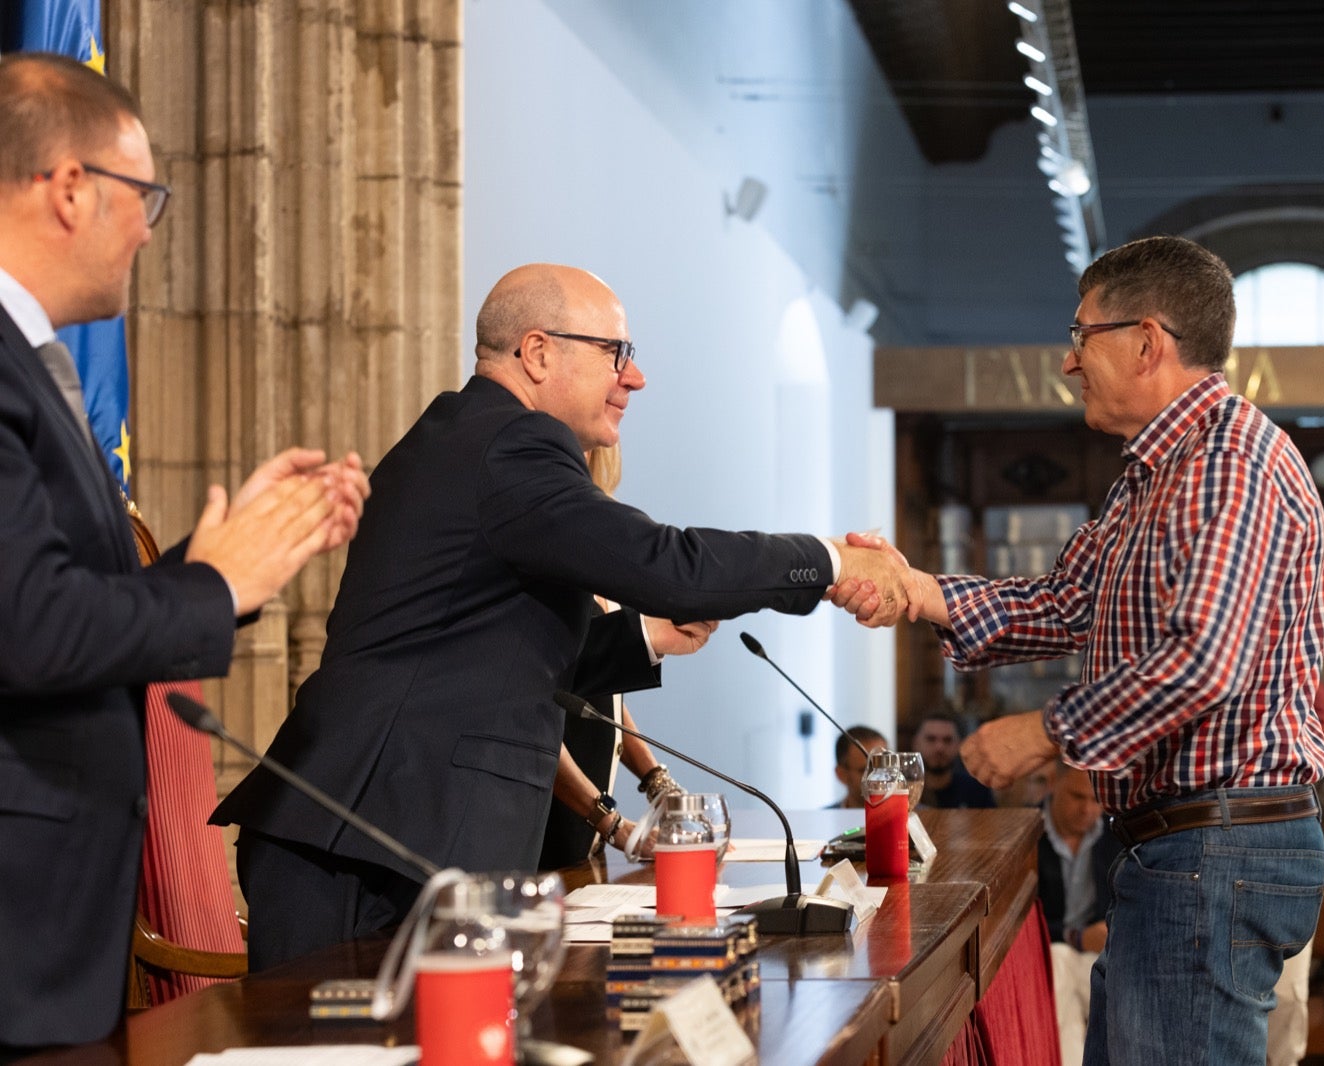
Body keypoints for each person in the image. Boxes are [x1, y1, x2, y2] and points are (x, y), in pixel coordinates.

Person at [212, 262, 909, 970]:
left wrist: (645, 638)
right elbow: (670, 565)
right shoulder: (512, 445)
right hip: (375, 843)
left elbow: (493, 657)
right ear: (538, 352)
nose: (634, 379)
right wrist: (829, 563)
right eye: (617, 353)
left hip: (386, 831)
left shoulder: (469, 438)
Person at [830, 235, 1324, 1065]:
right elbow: (1063, 604)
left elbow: (1202, 658)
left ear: (1146, 342)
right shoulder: (1153, 475)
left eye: (1081, 336)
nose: (1068, 363)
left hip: (1217, 844)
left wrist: (1045, 731)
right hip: (1178, 846)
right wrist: (916, 588)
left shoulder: (1226, 462)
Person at [0, 53, 369, 1054]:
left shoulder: (33, 361)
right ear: (70, 187)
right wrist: (212, 583)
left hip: (56, 933)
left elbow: (56, 598)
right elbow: (28, 629)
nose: (151, 227)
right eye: (143, 193)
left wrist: (219, 571)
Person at [539, 444, 695, 869]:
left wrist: (658, 783)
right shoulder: (544, 558)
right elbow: (532, 721)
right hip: (547, 833)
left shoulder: (593, 556)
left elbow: (602, 700)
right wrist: (612, 823)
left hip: (588, 840)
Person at [1037, 764, 1116, 1066]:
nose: (1087, 809)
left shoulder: (1116, 836)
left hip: (1104, 954)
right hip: (1052, 951)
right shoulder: (1026, 831)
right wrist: (1077, 936)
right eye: (1077, 796)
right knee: (1058, 961)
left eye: (1096, 799)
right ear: (1053, 782)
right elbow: (1020, 921)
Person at [912, 712, 996, 809]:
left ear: (959, 745)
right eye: (931, 739)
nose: (940, 747)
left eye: (947, 740)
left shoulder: (977, 790)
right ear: (915, 743)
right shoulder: (902, 792)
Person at [828, 725, 888, 809]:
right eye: (866, 771)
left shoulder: (906, 819)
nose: (879, 779)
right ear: (841, 774)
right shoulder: (823, 818)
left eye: (883, 769)